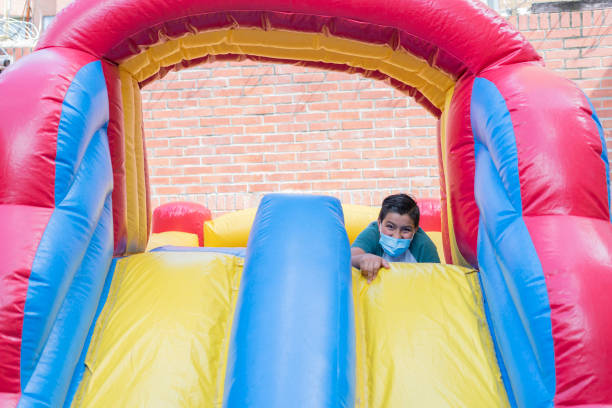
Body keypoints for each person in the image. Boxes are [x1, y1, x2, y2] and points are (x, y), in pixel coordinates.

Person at [351, 194, 440, 282]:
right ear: (379, 223)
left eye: (406, 230)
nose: (397, 236)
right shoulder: (373, 234)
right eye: (390, 227)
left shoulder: (423, 245)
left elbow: (437, 280)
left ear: (415, 230)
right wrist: (362, 258)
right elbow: (348, 258)